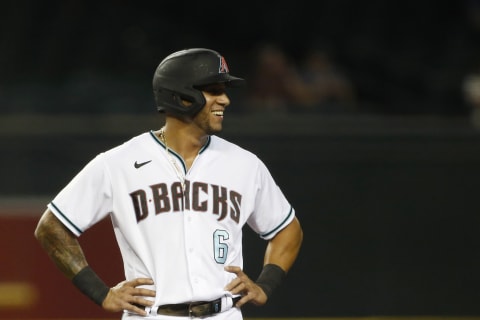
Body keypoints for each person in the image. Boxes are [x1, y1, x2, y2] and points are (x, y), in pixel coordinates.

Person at [34, 48, 303, 319]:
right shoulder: (118, 163)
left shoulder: (245, 164)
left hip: (224, 313)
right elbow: (51, 227)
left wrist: (265, 284)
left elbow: (288, 229)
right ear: (182, 96)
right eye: (213, 90)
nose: (225, 100)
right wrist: (100, 292)